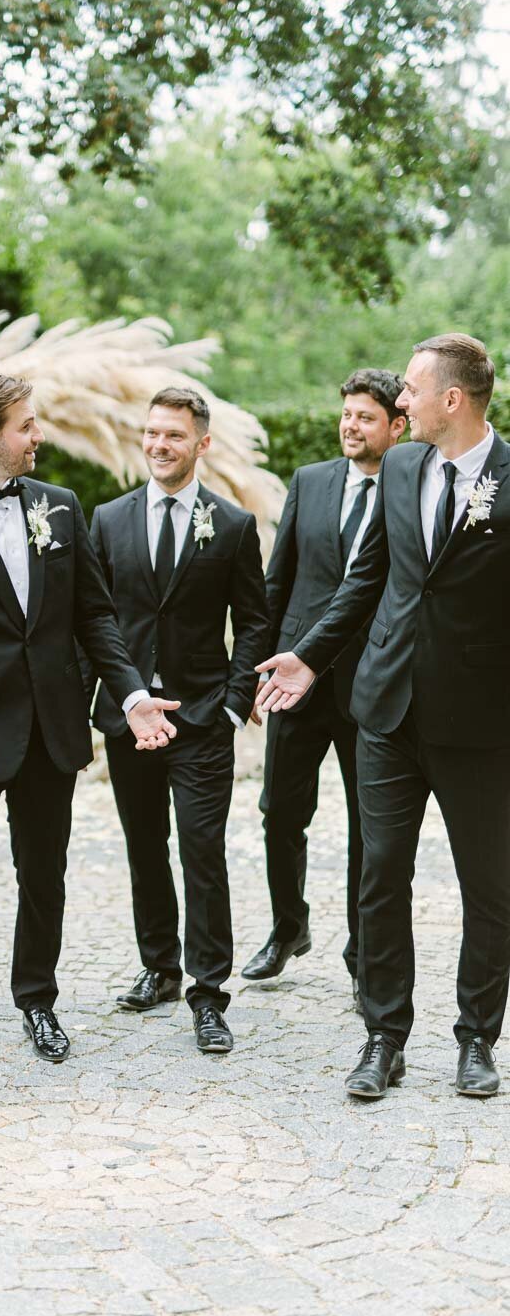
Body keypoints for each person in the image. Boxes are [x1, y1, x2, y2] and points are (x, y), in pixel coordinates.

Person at [0, 371, 179, 1125]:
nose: (37, 435)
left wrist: (130, 693)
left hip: (51, 734)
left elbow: (96, 618)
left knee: (43, 877)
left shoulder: (60, 506)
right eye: (26, 424)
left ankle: (37, 1000)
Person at [258, 334, 510, 1101]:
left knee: (490, 888)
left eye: (410, 389)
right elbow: (367, 578)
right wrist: (308, 655)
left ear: (452, 400)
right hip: (387, 713)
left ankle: (476, 1039)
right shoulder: (402, 466)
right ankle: (383, 1035)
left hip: (480, 723)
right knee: (379, 879)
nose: (401, 402)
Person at [90, 387, 268, 1053]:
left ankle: (209, 992)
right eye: (152, 434)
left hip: (199, 719)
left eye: (173, 435)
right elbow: (95, 620)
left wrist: (228, 701)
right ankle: (159, 967)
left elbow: (254, 621)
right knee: (144, 849)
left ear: (202, 443)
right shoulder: (107, 520)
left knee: (202, 851)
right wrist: (106, 704)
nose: (159, 445)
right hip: (130, 717)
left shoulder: (232, 525)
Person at [241, 370, 405, 1009]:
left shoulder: (409, 485)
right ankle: (288, 927)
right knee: (279, 810)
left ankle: (364, 955)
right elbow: (277, 583)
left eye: (366, 417)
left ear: (396, 425)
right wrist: (255, 673)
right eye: (346, 414)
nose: (350, 426)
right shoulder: (310, 482)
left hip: (373, 681)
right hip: (295, 680)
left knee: (372, 825)